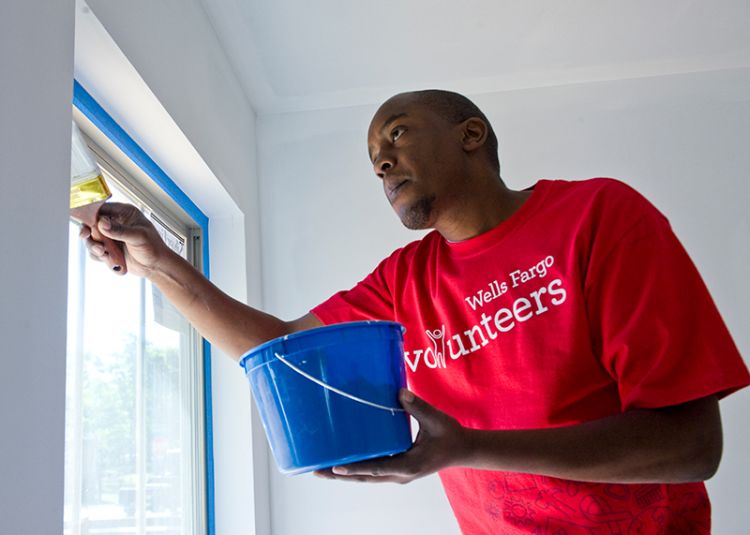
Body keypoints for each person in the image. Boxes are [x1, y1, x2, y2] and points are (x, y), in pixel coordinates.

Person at [82, 90, 749, 534]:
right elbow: (283, 355)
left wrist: (467, 447)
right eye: (374, 159)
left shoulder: (598, 217)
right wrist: (160, 260)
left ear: (471, 135)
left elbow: (691, 445)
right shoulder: (406, 280)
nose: (382, 161)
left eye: (397, 133)